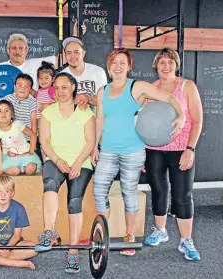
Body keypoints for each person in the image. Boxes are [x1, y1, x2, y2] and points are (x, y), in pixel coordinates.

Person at [91, 48, 186, 256]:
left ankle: (129, 236)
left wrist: (181, 116)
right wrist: (94, 148)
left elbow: (170, 98)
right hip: (108, 149)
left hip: (132, 151)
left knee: (128, 192)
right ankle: (103, 232)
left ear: (129, 66)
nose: (117, 66)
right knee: (99, 191)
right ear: (109, 65)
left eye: (122, 63)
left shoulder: (137, 86)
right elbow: (100, 120)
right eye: (114, 62)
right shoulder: (102, 91)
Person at [143, 48, 202, 261]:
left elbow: (197, 120)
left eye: (170, 62)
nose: (166, 66)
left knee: (183, 195)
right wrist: (144, 151)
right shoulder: (151, 89)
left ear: (176, 65)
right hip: (155, 150)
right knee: (158, 190)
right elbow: (143, 121)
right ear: (155, 65)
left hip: (181, 150)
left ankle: (186, 241)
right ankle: (161, 230)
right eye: (162, 62)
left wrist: (190, 149)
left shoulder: (187, 86)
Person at [35, 72, 95, 273]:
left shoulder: (86, 111)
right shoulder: (47, 112)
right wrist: (58, 160)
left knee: (74, 201)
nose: (60, 92)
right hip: (56, 158)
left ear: (73, 88)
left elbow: (91, 141)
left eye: (64, 87)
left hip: (81, 160)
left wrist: (78, 163)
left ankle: (73, 251)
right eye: (57, 87)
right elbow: (44, 140)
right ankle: (49, 231)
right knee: (49, 183)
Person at [0, 100, 41, 178]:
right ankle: (18, 168)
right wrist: (0, 169)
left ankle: (23, 167)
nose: (3, 113)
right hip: (9, 157)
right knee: (15, 171)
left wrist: (31, 151)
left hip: (24, 154)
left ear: (12, 114)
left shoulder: (17, 124)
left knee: (31, 169)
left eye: (6, 111)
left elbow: (33, 135)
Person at [0, 74, 37, 143]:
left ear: (30, 90)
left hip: (26, 140)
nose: (23, 88)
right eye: (20, 85)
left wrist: (33, 143)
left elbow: (34, 124)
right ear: (14, 87)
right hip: (9, 139)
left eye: (26, 87)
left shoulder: (33, 103)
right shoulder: (8, 98)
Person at [61, 36, 108, 111]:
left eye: (76, 52)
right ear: (65, 55)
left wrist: (88, 98)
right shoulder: (61, 76)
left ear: (83, 53)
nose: (72, 56)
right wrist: (73, 101)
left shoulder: (98, 72)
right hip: (70, 121)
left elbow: (105, 102)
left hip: (95, 120)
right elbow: (59, 104)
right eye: (68, 53)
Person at [34, 61, 56, 161]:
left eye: (46, 78)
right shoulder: (39, 92)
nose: (43, 80)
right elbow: (34, 94)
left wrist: (49, 105)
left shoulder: (52, 90)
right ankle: (45, 162)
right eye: (40, 78)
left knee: (50, 143)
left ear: (53, 79)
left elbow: (60, 103)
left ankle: (52, 161)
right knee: (42, 143)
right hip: (40, 122)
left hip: (50, 122)